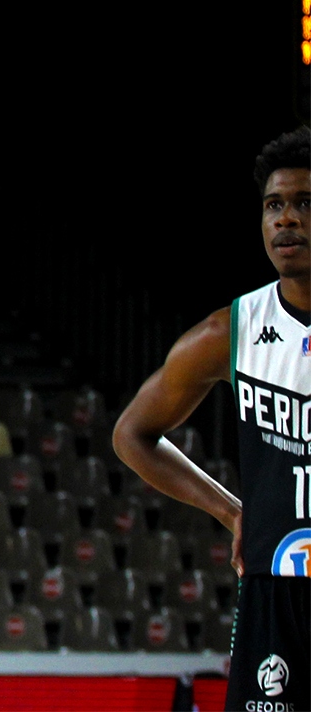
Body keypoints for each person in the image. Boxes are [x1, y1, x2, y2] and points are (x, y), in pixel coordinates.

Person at [114, 126, 309, 712]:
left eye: (304, 203)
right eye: (274, 205)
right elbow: (133, 435)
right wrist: (230, 510)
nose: (285, 220)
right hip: (275, 594)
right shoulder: (233, 330)